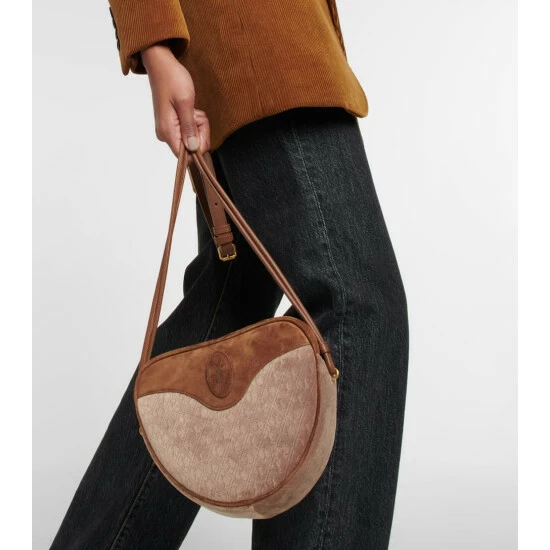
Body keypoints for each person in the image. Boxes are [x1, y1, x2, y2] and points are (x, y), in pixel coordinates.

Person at [50, 1, 409, 548]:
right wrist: (154, 44)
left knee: (231, 300)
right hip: (258, 33)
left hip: (261, 30)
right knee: (356, 302)